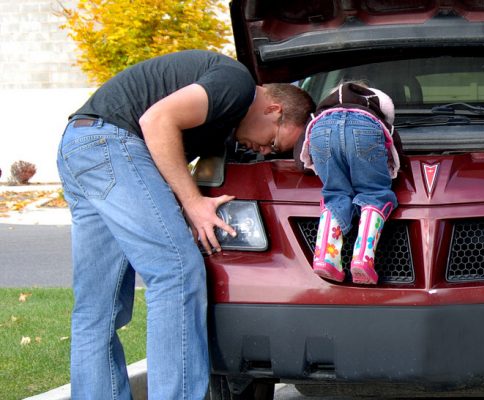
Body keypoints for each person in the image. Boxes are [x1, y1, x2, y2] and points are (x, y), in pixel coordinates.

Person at [56, 49, 314, 399]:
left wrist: (177, 205)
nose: (265, 152)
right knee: (176, 271)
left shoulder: (224, 121)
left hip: (80, 144)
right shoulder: (237, 84)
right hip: (110, 144)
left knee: (97, 309)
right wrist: (193, 204)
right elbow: (156, 121)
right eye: (272, 142)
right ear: (273, 109)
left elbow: (165, 160)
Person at [298, 82, 402, 285]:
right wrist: (392, 169)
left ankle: (325, 258)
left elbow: (302, 149)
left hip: (320, 133)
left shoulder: (318, 116)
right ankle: (363, 259)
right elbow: (394, 147)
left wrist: (313, 166)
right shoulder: (373, 113)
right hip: (364, 131)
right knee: (374, 194)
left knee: (335, 195)